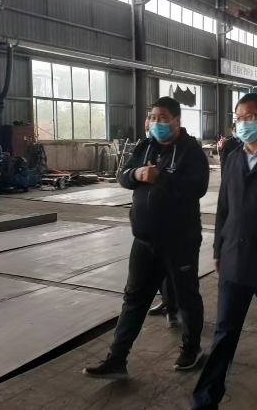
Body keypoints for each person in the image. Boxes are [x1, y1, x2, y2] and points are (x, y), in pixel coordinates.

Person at [83, 97, 209, 379]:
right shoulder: (145, 146)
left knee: (186, 297)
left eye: (162, 118)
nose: (156, 122)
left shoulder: (191, 151)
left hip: (179, 241)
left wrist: (160, 178)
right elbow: (122, 176)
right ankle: (117, 360)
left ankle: (192, 348)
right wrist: (137, 173)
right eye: (153, 117)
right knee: (133, 299)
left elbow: (197, 188)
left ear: (177, 120)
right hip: (144, 241)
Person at [191, 93, 257, 410]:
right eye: (238, 118)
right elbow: (224, 208)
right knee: (224, 331)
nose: (242, 123)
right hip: (234, 259)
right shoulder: (233, 157)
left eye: (249, 117)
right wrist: (218, 248)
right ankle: (206, 397)